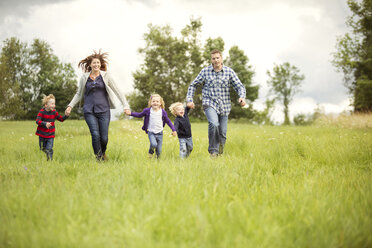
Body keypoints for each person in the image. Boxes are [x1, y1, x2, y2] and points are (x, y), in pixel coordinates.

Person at [65, 50, 130, 161]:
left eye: (98, 63)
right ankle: (99, 158)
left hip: (104, 110)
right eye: (94, 63)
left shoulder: (106, 76)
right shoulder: (84, 77)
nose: (96, 65)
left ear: (100, 64)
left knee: (104, 138)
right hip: (89, 110)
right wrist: (70, 106)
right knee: (95, 134)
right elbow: (79, 93)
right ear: (90, 65)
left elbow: (118, 90)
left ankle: (103, 153)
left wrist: (125, 105)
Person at [186, 49, 246, 158]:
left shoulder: (229, 72)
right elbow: (193, 85)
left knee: (222, 133)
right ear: (211, 60)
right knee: (214, 124)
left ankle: (220, 152)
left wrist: (242, 97)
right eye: (213, 58)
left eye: (218, 58)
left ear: (221, 59)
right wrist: (190, 100)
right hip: (209, 103)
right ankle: (213, 152)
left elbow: (239, 86)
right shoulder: (205, 71)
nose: (216, 60)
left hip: (225, 106)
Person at [126, 93, 176, 159]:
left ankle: (157, 162)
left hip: (160, 133)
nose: (155, 103)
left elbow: (168, 121)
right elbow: (139, 115)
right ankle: (150, 153)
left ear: (160, 103)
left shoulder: (163, 112)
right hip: (151, 132)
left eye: (157, 101)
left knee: (159, 151)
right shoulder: (147, 111)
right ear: (150, 102)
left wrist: (173, 130)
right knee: (153, 144)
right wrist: (131, 113)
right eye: (153, 101)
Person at [36, 94, 69, 161]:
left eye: (54, 104)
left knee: (49, 148)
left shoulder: (54, 112)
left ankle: (50, 160)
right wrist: (45, 123)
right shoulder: (41, 112)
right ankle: (46, 157)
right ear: (46, 105)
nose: (54, 105)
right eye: (52, 104)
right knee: (42, 148)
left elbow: (61, 119)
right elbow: (37, 121)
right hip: (42, 135)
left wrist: (66, 115)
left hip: (50, 135)